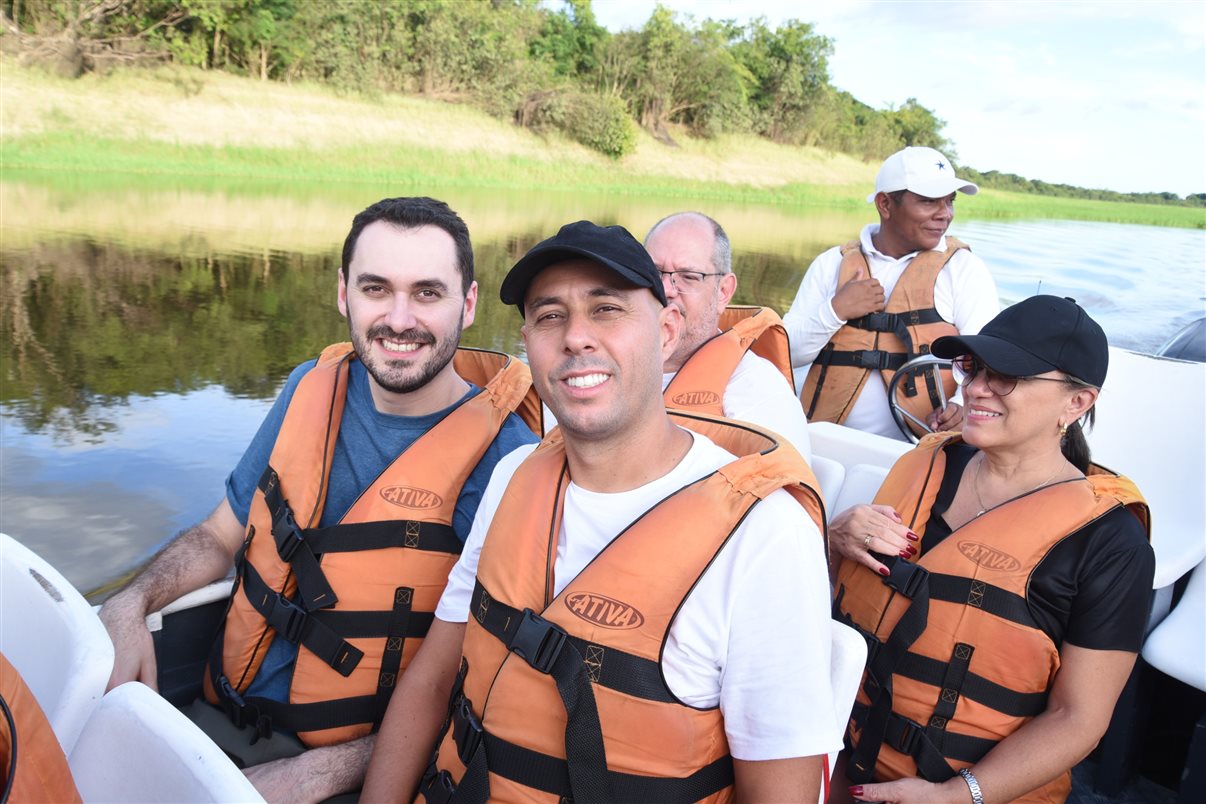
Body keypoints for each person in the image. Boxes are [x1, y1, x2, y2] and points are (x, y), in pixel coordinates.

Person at [362, 221, 838, 802]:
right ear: (529, 342)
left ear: (666, 332)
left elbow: (779, 793)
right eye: (550, 315)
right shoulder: (515, 475)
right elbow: (434, 680)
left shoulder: (765, 537)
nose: (576, 337)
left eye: (607, 309)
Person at [97, 197, 540, 802]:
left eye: (427, 293)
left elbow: (481, 687)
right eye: (376, 288)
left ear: (467, 303)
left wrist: (320, 775)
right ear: (343, 295)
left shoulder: (511, 464)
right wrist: (130, 604)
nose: (399, 318)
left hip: (352, 771)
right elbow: (218, 536)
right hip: (210, 716)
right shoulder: (310, 387)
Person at [829, 296, 1153, 803]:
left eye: (1009, 376)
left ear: (1077, 403)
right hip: (839, 755)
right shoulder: (924, 464)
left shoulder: (1111, 545)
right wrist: (836, 537)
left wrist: (957, 796)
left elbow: (1079, 718)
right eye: (973, 367)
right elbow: (839, 600)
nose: (977, 387)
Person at [783, 146, 999, 441]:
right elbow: (786, 353)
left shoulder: (964, 270)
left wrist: (961, 405)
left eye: (950, 202)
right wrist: (835, 310)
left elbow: (988, 361)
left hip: (917, 453)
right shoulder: (831, 264)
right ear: (885, 204)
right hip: (820, 442)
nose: (945, 215)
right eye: (929, 202)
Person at [646, 211, 812, 460]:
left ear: (723, 292)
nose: (666, 289)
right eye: (654, 273)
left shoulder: (759, 392)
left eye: (689, 277)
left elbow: (784, 495)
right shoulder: (603, 367)